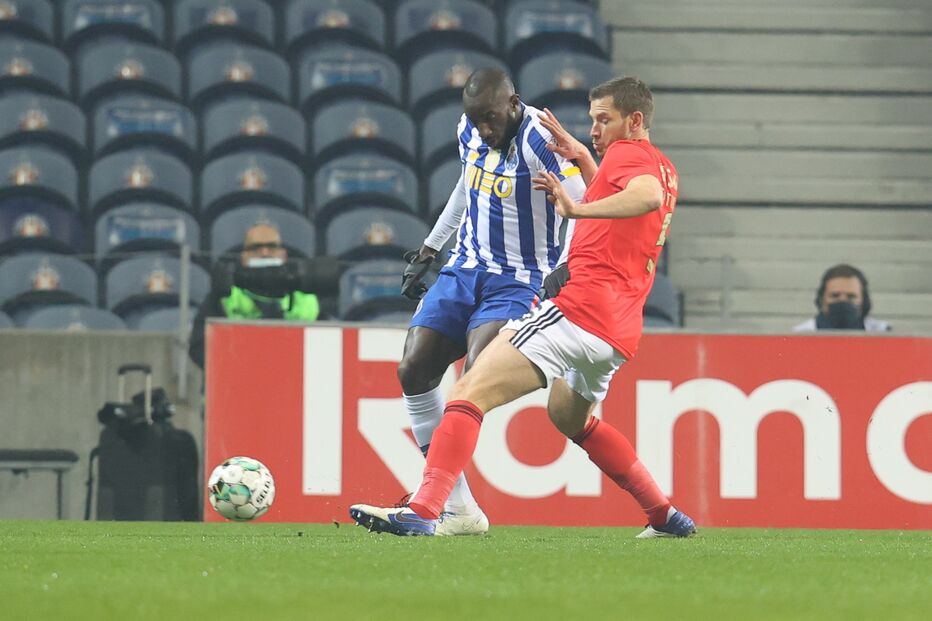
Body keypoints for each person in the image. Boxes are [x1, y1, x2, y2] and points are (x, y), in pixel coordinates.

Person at [351, 77, 696, 538]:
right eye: (593, 119)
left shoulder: (629, 156)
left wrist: (573, 212)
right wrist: (587, 161)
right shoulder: (662, 166)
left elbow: (643, 196)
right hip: (617, 331)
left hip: (577, 312)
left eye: (603, 120)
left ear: (635, 120)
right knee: (572, 419)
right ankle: (664, 515)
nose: (594, 129)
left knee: (467, 393)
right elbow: (632, 202)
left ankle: (427, 510)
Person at [384, 68, 587, 536]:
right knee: (413, 369)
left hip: (517, 281)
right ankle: (459, 509)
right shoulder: (469, 130)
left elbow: (582, 202)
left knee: (476, 378)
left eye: (491, 119)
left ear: (514, 103)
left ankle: (430, 504)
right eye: (475, 120)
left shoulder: (542, 138)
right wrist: (432, 247)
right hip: (464, 269)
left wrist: (565, 262)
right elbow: (465, 185)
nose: (483, 130)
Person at [188, 222, 320, 368]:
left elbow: (324, 347)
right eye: (255, 248)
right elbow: (199, 348)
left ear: (283, 255)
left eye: (271, 247)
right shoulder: (225, 295)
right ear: (244, 257)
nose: (264, 253)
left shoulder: (305, 298)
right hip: (237, 376)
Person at [793, 264, 890, 332]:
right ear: (821, 299)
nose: (843, 301)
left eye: (851, 296)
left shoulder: (882, 332)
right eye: (835, 295)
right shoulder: (801, 334)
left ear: (864, 301)